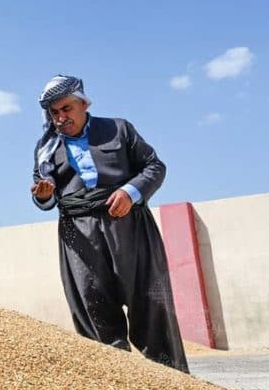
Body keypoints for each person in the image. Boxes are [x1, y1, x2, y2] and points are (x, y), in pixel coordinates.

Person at [30, 75, 189, 373]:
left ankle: (174, 381)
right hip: (77, 233)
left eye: (66, 109)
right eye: (54, 113)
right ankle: (116, 383)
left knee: (151, 302)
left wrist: (131, 192)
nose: (61, 118)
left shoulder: (119, 129)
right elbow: (43, 197)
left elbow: (154, 166)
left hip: (127, 223)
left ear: (83, 104)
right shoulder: (46, 149)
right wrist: (44, 196)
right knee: (94, 309)